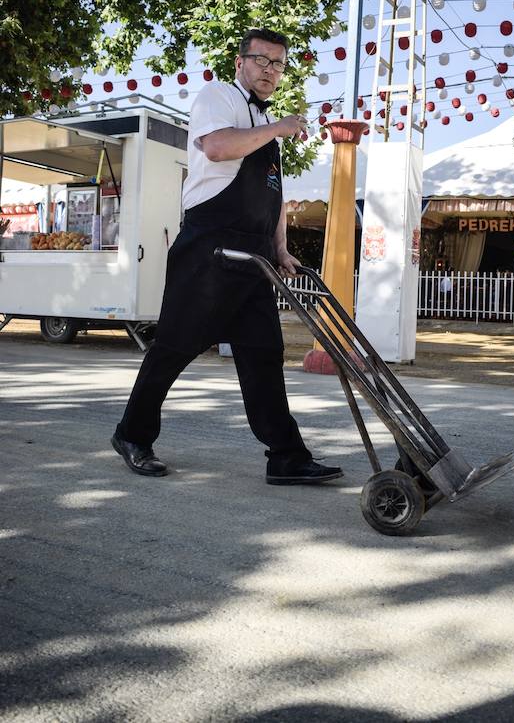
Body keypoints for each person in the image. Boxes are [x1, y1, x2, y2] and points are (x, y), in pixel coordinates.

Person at [111, 28, 343, 486]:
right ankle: (132, 435)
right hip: (209, 249)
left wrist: (281, 249)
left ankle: (286, 456)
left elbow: (272, 197)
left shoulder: (264, 133)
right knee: (175, 347)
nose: (270, 71)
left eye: (278, 63)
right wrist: (277, 127)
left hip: (253, 257)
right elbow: (216, 147)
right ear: (240, 63)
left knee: (264, 355)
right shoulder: (218, 96)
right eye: (262, 60)